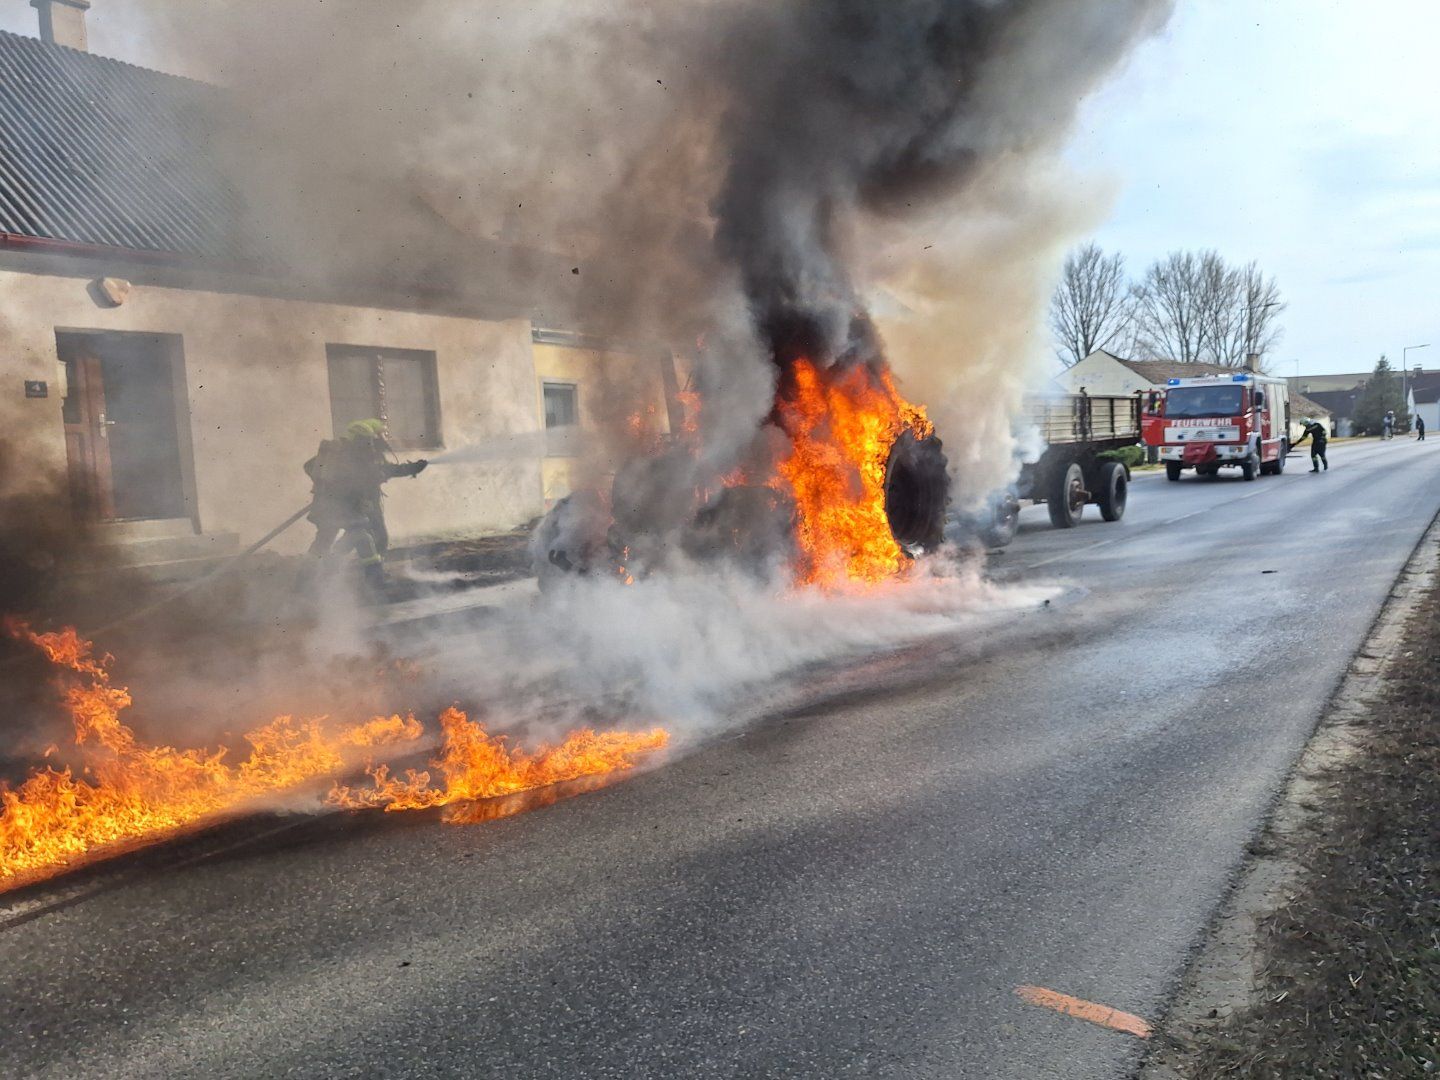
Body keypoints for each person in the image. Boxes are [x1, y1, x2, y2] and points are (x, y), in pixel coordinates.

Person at [303, 419, 428, 589]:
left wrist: (324, 486)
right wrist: (413, 468)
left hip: (327, 508)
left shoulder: (334, 453)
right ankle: (374, 583)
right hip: (349, 508)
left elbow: (309, 467)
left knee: (323, 543)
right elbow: (384, 471)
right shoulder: (359, 456)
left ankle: (304, 581)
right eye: (368, 440)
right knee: (366, 539)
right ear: (361, 439)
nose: (371, 443)